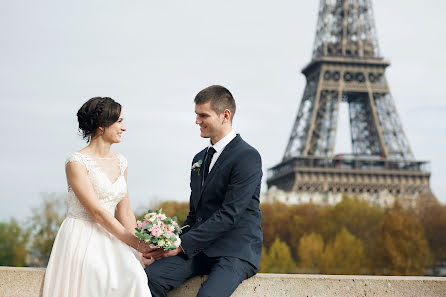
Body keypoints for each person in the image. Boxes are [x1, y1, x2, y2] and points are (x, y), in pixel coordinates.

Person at [145, 85, 263, 297]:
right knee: (147, 279)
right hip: (199, 250)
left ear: (225, 115)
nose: (197, 121)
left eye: (203, 115)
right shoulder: (199, 158)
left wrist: (181, 246)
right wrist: (169, 244)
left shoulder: (247, 156)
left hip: (234, 252)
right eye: (196, 115)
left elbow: (230, 215)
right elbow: (194, 214)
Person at [42, 97, 154, 297]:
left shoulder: (121, 162)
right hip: (83, 237)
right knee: (96, 279)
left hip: (114, 237)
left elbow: (125, 209)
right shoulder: (76, 162)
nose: (124, 128)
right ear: (102, 126)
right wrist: (135, 243)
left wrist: (139, 250)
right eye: (119, 121)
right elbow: (97, 212)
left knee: (135, 276)